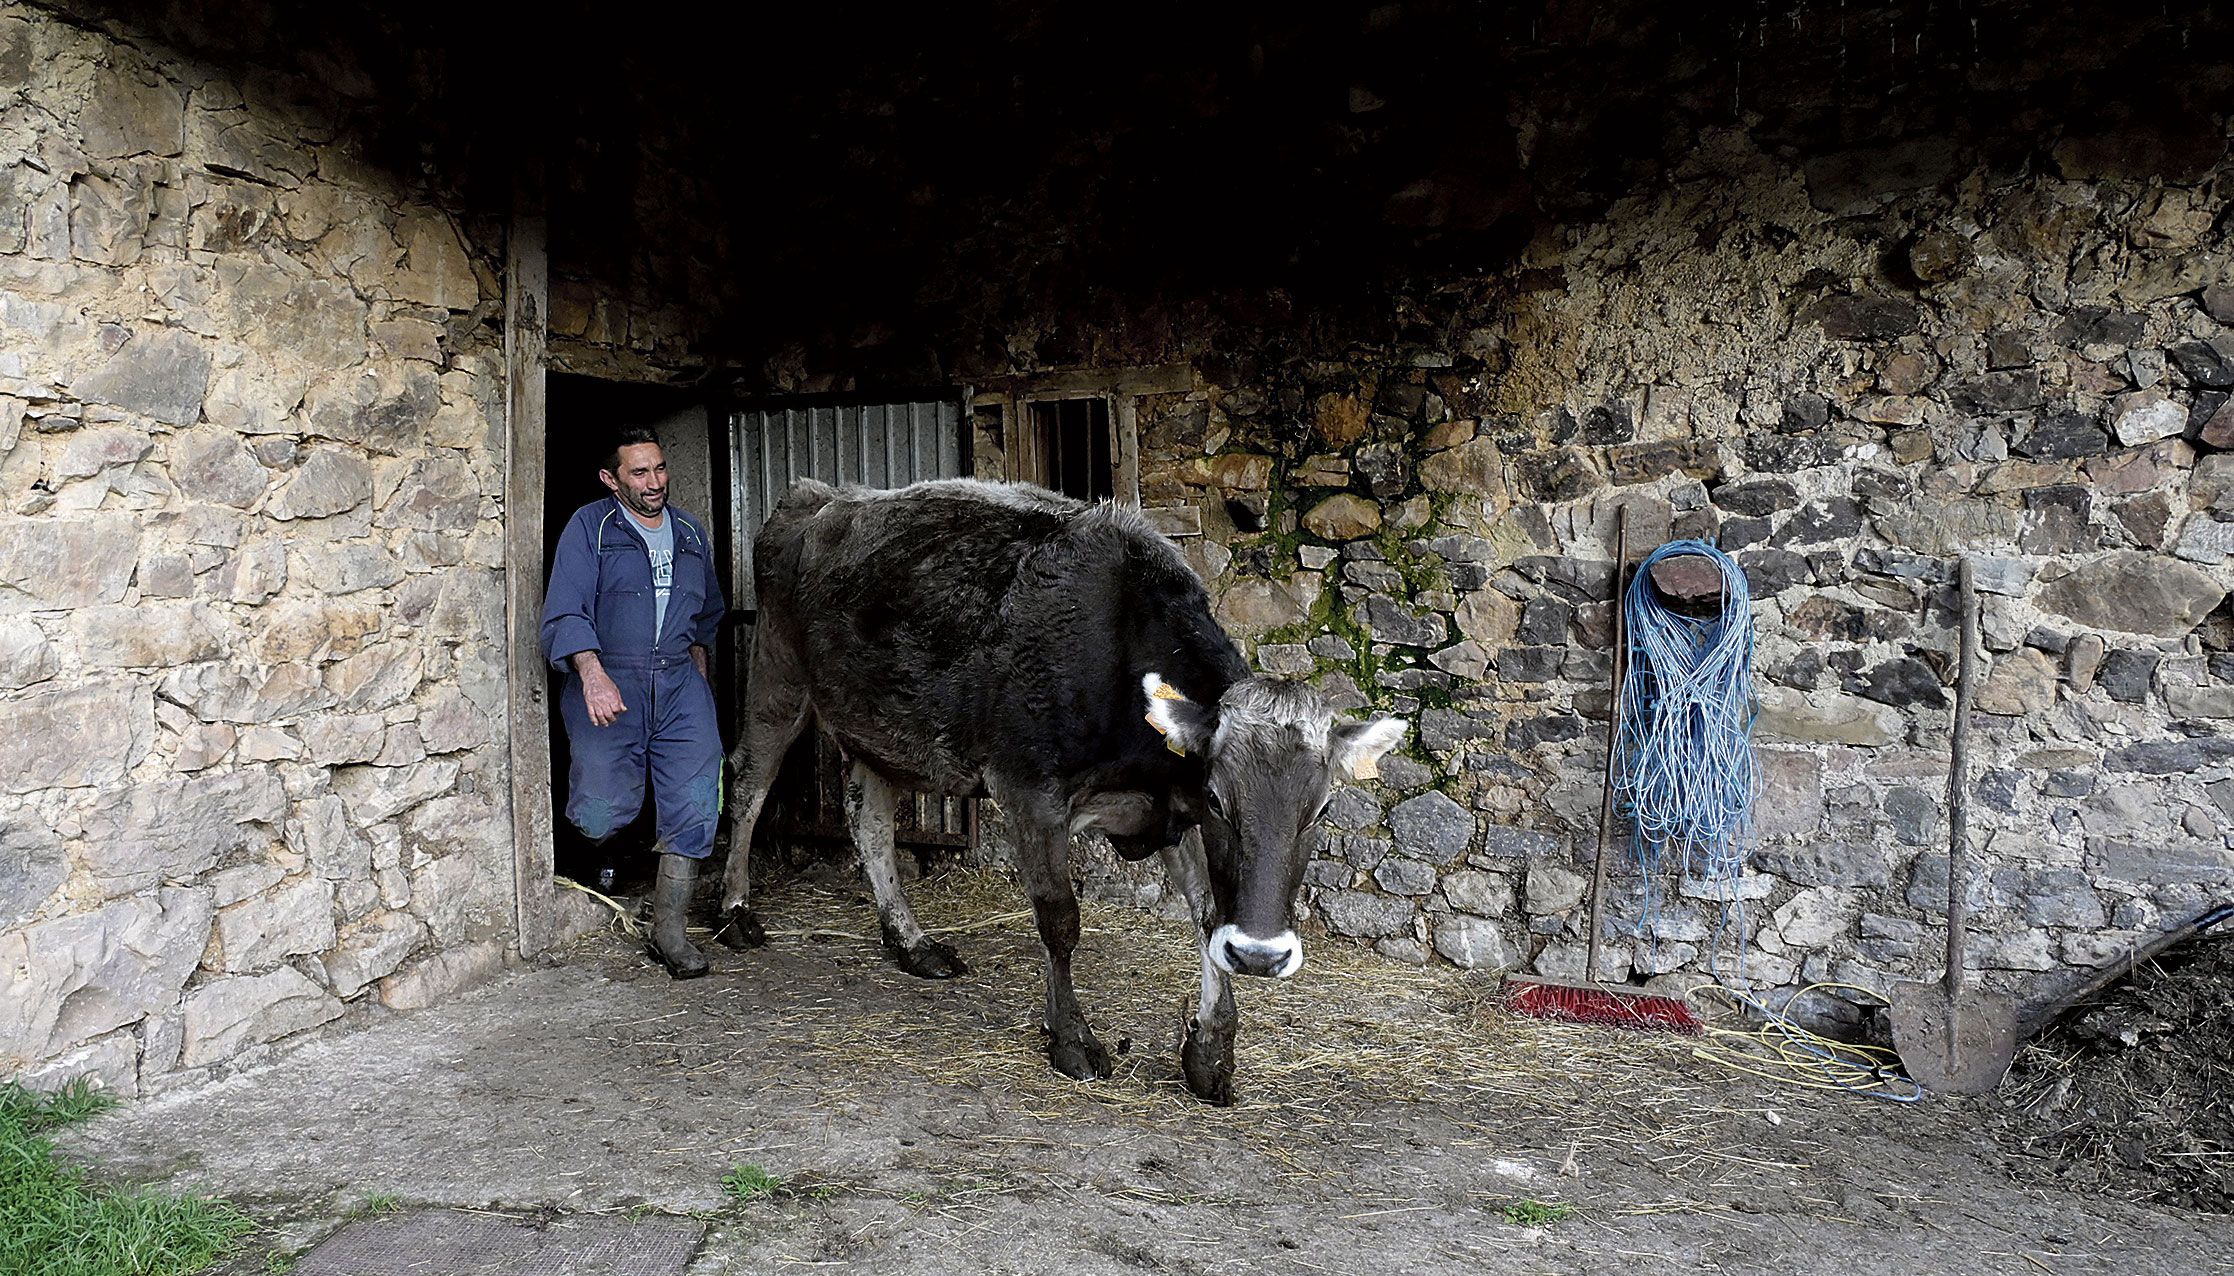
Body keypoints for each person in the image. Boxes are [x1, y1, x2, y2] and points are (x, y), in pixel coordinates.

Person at [540, 426, 726, 978]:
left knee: (697, 794)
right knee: (601, 806)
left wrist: (700, 688)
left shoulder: (690, 531)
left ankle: (669, 931)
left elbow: (705, 617)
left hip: (677, 681)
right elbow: (565, 608)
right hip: (611, 676)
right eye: (640, 473)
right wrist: (591, 673)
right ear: (611, 479)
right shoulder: (590, 528)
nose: (655, 482)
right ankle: (599, 865)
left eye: (660, 469)